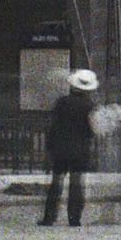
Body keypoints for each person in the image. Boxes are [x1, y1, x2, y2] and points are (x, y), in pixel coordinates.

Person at [40, 68, 99, 228]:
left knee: (56, 182)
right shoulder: (90, 106)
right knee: (77, 183)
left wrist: (49, 148)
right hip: (80, 150)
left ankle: (49, 217)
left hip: (61, 148)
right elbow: (92, 130)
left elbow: (53, 127)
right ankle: (74, 218)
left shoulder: (62, 102)